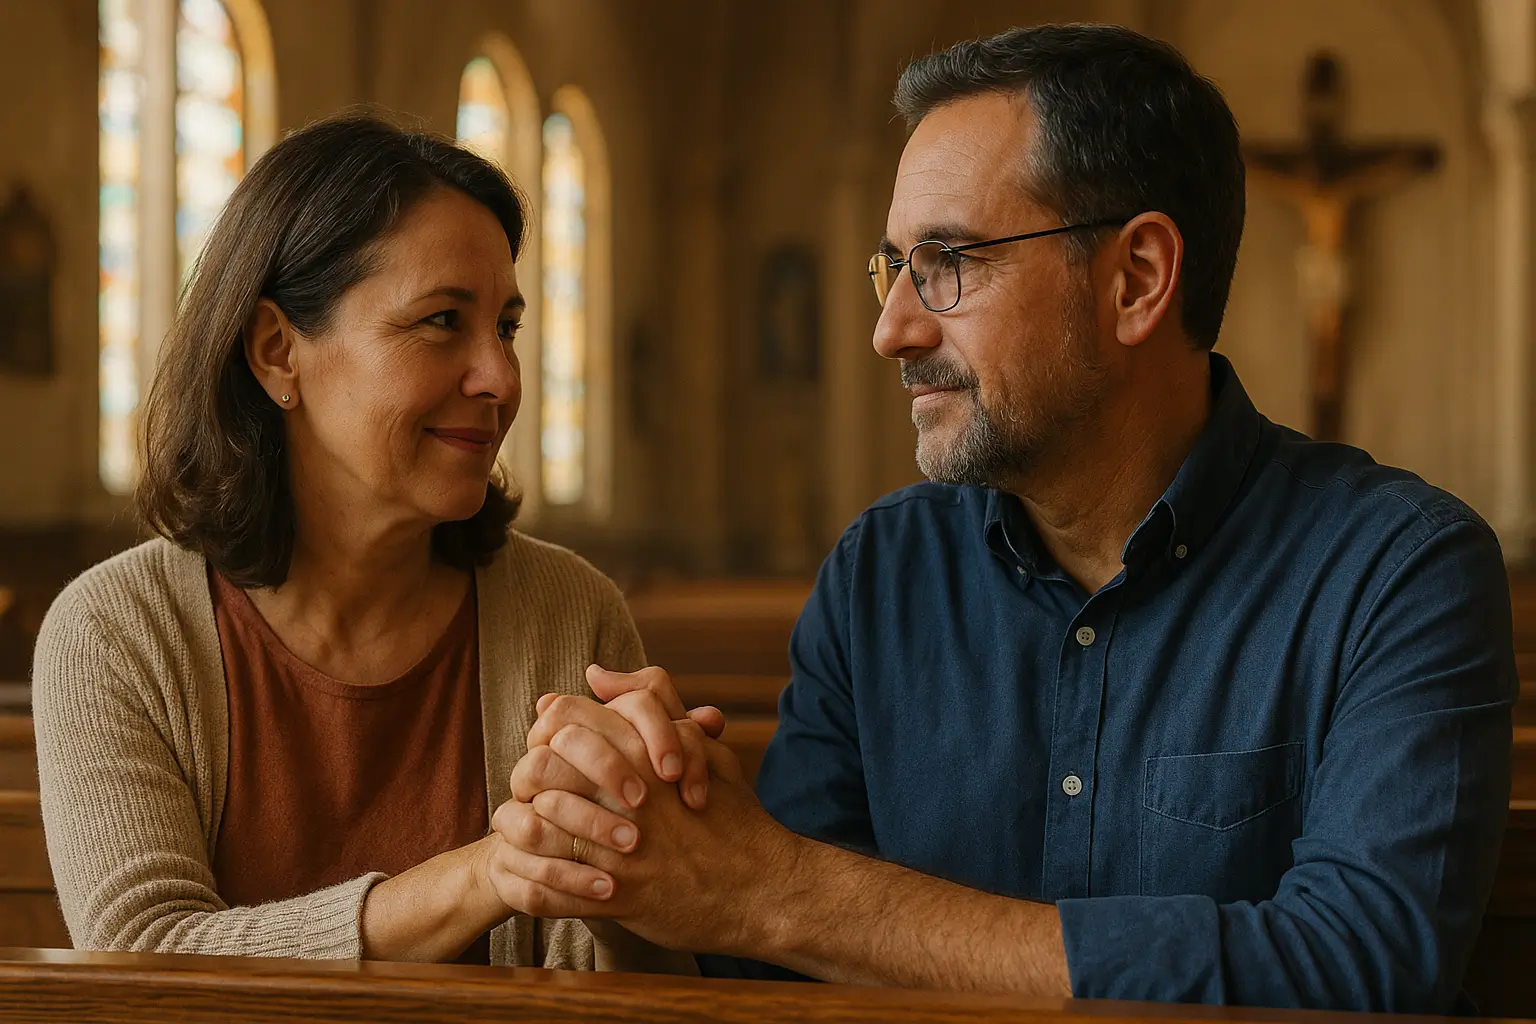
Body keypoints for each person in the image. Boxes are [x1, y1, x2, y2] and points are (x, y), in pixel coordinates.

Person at [485, 24, 1516, 1012]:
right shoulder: (881, 572)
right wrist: (653, 815)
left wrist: (781, 890)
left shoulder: (1399, 570)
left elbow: (1360, 972)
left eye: (948, 262)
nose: (891, 329)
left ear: (1136, 280)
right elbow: (779, 967)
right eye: (894, 266)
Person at [31, 114, 707, 972]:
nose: (500, 377)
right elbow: (143, 961)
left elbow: (625, 991)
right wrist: (483, 875)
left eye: (506, 327)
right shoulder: (116, 633)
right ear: (278, 351)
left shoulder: (570, 612)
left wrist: (640, 854)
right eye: (441, 321)